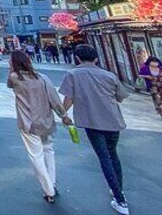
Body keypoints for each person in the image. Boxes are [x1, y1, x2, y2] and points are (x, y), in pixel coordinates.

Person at [60, 44, 129, 215]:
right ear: (96, 58)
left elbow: (68, 98)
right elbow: (120, 97)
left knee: (104, 156)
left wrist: (63, 115)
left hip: (92, 121)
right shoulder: (109, 75)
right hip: (113, 120)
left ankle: (120, 200)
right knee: (112, 154)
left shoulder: (73, 74)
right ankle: (117, 190)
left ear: (77, 58)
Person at [7, 50, 72, 203]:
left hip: (28, 122)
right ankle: (52, 183)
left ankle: (48, 189)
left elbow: (9, 84)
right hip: (46, 120)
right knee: (48, 151)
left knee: (36, 156)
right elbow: (54, 99)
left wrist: (11, 67)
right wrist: (63, 115)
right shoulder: (43, 78)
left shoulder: (15, 77)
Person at [139, 56, 162, 122]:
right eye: (153, 62)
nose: (155, 63)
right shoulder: (145, 68)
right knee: (158, 100)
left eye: (156, 62)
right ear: (149, 62)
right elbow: (140, 75)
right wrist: (146, 76)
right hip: (153, 87)